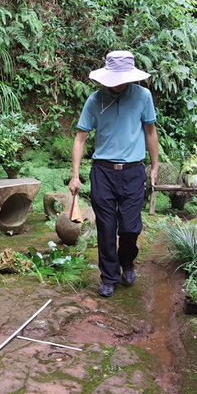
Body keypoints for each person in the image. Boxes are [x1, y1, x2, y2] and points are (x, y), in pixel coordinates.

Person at [68, 50, 159, 298]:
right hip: (103, 173)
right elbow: (80, 139)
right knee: (106, 228)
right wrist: (75, 175)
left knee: (130, 228)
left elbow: (150, 132)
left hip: (132, 171)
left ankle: (127, 261)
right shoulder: (95, 100)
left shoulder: (143, 96)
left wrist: (154, 165)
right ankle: (109, 276)